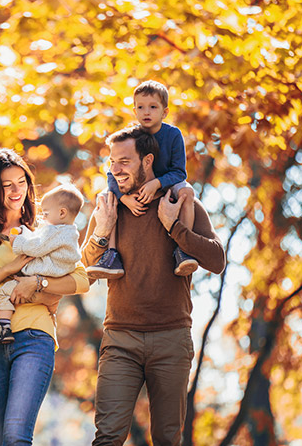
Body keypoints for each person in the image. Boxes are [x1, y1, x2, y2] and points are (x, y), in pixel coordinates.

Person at [82, 125, 226, 445]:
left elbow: (217, 261)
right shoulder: (109, 206)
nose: (115, 170)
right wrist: (102, 232)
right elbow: (83, 273)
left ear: (147, 161)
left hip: (171, 338)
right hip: (120, 338)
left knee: (167, 438)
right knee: (107, 436)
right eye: (112, 162)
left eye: (124, 162)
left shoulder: (180, 201)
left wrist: (174, 227)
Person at [0, 149, 90, 445]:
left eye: (22, 182)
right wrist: (10, 268)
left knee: (16, 436)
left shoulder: (46, 230)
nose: (17, 191)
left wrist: (38, 282)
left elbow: (81, 280)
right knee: (0, 440)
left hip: (33, 338)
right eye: (7, 185)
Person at [87, 80, 199, 280]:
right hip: (132, 186)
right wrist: (123, 197)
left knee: (187, 193)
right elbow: (113, 172)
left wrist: (157, 183)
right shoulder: (132, 136)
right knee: (106, 199)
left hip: (167, 183)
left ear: (164, 112)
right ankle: (111, 255)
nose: (146, 112)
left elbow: (180, 172)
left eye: (153, 107)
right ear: (134, 110)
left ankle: (183, 249)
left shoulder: (173, 135)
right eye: (141, 107)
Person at [0, 184, 84, 345]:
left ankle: (3, 328)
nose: (43, 217)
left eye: (46, 213)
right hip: (58, 274)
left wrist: (17, 241)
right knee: (46, 299)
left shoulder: (53, 231)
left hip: (46, 271)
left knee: (4, 292)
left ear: (62, 212)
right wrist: (25, 232)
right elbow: (39, 239)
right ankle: (50, 308)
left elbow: (36, 247)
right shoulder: (69, 232)